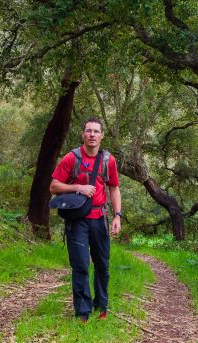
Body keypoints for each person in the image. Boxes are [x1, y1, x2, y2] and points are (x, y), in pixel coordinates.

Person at [50, 118, 122, 323]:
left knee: (102, 264)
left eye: (96, 131)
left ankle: (101, 306)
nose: (92, 135)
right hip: (77, 220)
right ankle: (83, 311)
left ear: (101, 136)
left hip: (99, 218)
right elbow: (54, 186)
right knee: (80, 264)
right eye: (88, 131)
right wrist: (77, 188)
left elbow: (114, 188)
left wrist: (117, 216)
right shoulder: (71, 158)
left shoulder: (109, 160)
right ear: (83, 134)